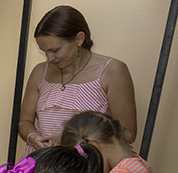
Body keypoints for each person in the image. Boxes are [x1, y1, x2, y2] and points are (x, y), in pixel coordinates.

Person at [19, 5, 136, 154]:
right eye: (44, 51)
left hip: (85, 164)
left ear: (79, 39)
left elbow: (128, 133)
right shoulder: (40, 72)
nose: (49, 58)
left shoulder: (112, 71)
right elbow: (24, 122)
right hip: (41, 163)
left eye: (54, 50)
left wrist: (71, 139)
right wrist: (33, 137)